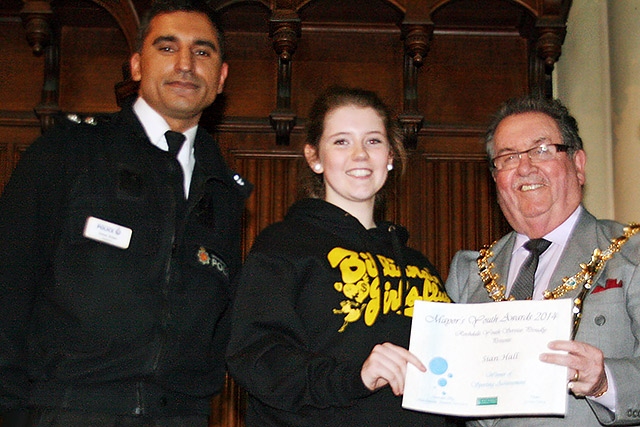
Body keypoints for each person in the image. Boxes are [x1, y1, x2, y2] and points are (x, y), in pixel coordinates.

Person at [0, 1, 251, 426]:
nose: (186, 64)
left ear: (221, 77)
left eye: (203, 51)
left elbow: (220, 326)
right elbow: (8, 288)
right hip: (69, 409)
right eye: (167, 48)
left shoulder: (224, 191)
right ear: (136, 65)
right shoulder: (68, 153)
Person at [226, 86, 452, 427]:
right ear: (314, 157)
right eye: (342, 141)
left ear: (390, 156)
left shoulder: (420, 266)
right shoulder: (283, 245)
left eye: (373, 141)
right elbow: (256, 357)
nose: (360, 155)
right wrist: (355, 377)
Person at [445, 95, 640, 426]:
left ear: (578, 164)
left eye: (541, 150)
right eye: (507, 157)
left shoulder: (630, 253)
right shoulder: (469, 273)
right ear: (495, 178)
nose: (524, 167)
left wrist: (605, 381)